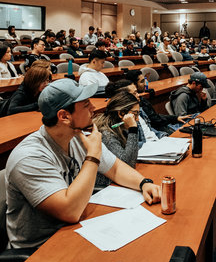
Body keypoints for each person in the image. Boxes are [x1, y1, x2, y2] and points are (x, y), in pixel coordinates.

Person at [5, 79, 161, 249]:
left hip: (76, 230)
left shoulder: (78, 135)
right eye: (86, 105)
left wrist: (143, 183)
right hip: (40, 248)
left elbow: (115, 168)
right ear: (64, 116)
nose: (93, 108)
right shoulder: (29, 156)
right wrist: (93, 156)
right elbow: (70, 211)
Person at [94, 91, 141, 188]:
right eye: (135, 114)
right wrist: (133, 129)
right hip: (105, 189)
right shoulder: (107, 135)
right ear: (121, 114)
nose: (137, 119)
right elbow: (128, 166)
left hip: (116, 184)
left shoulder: (120, 128)